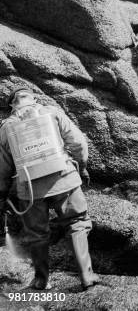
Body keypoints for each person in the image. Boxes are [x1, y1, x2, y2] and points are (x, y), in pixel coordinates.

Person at [0, 88, 97, 291]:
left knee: (36, 234)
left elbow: (3, 167)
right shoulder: (51, 112)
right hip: (64, 179)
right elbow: (78, 143)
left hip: (29, 189)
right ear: (34, 99)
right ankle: (87, 276)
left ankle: (41, 280)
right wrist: (82, 166)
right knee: (77, 223)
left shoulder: (7, 127)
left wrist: (2, 193)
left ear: (12, 105)